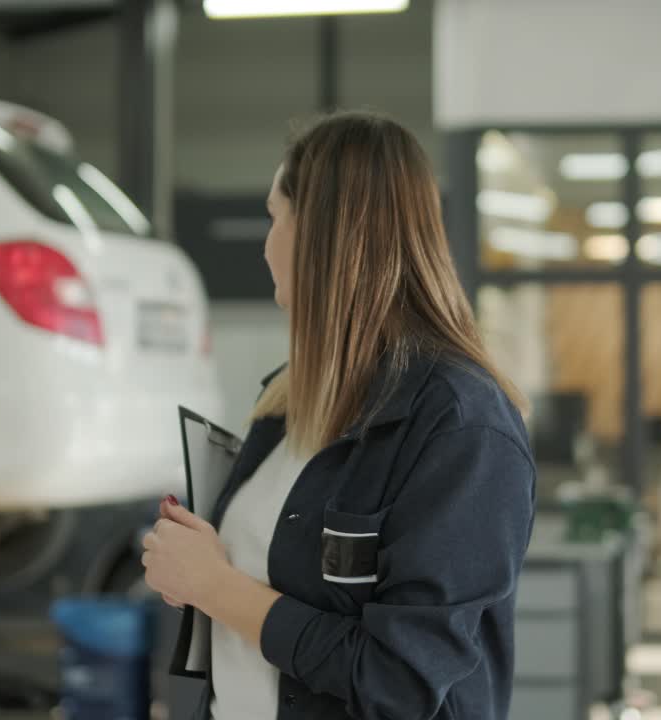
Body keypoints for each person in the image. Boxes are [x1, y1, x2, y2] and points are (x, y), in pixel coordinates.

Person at [141, 113, 537, 720]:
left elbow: (401, 682)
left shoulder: (461, 426)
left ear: (322, 235)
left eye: (276, 218)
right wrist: (192, 567)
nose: (265, 245)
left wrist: (215, 588)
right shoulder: (286, 402)